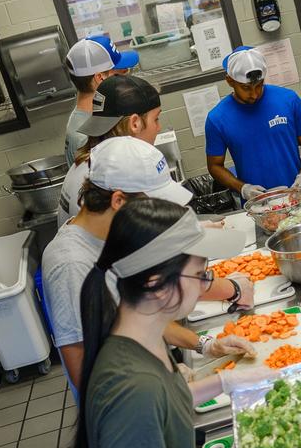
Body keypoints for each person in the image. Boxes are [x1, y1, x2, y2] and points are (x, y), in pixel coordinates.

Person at [75, 198, 298, 448]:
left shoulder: (142, 338)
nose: (208, 284)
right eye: (200, 274)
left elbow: (165, 400)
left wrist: (224, 383)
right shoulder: (130, 387)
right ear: (155, 284)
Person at [42, 136, 254, 397]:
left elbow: (139, 316)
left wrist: (205, 344)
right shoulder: (71, 265)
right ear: (118, 201)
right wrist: (158, 387)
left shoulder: (116, 234)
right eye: (152, 202)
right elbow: (84, 372)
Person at [205, 47, 301, 201]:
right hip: (258, 204)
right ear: (230, 81)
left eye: (259, 85)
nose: (254, 94)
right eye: (246, 88)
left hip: (296, 195)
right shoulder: (217, 119)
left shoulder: (288, 100)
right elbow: (215, 166)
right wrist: (242, 188)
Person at [56, 74, 162, 226]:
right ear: (135, 124)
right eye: (156, 119)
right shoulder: (111, 179)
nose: (159, 128)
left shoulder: (82, 164)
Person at [62, 36, 139, 167]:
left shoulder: (99, 115)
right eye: (121, 72)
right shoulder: (84, 137)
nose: (125, 77)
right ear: (100, 77)